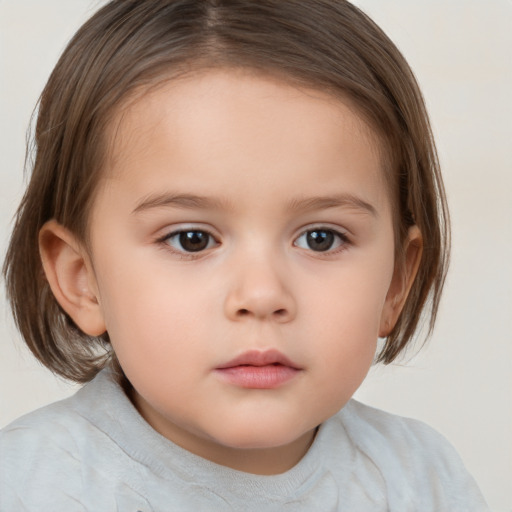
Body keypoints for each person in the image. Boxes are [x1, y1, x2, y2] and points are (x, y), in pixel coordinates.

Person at [0, 1, 489, 510]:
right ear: (82, 279)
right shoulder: (28, 487)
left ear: (395, 281)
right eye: (192, 239)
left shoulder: (420, 480)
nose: (261, 295)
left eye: (321, 238)